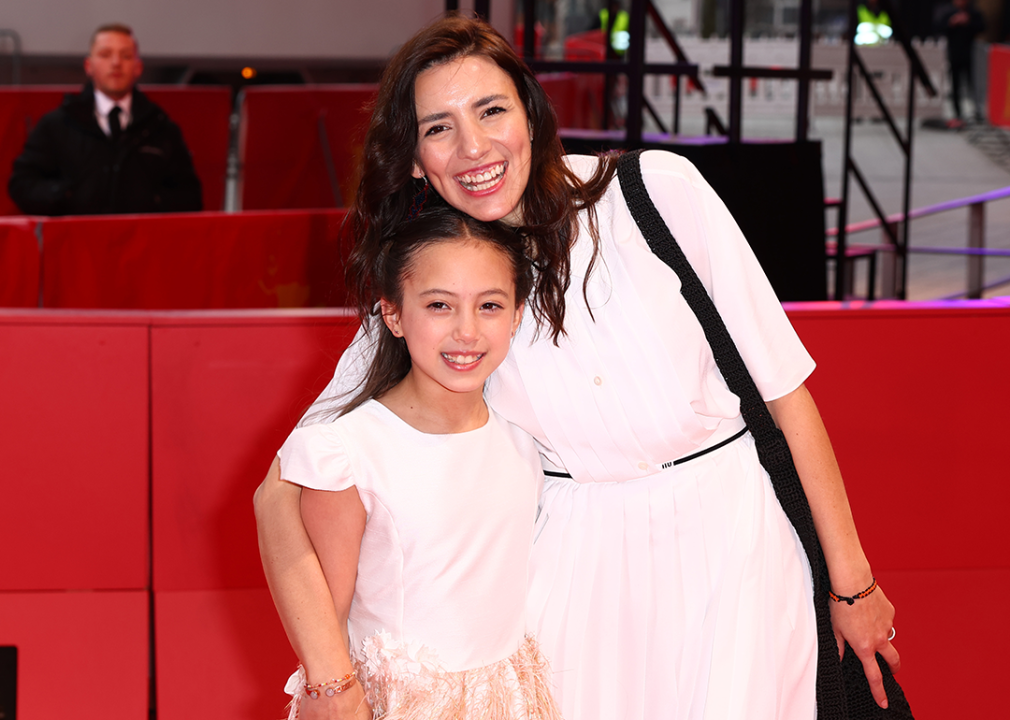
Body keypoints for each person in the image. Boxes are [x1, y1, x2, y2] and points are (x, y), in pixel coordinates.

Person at [254, 14, 900, 720]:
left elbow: (786, 396)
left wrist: (854, 586)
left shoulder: (656, 192)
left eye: (491, 110)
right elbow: (280, 494)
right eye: (437, 127)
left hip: (735, 549)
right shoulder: (434, 291)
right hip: (571, 573)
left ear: (530, 115)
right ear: (413, 159)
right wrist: (329, 679)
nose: (474, 147)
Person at [268, 204, 561, 720]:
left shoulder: (525, 443)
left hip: (510, 701)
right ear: (394, 314)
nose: (467, 332)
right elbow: (326, 618)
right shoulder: (347, 452)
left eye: (490, 306)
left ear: (518, 314)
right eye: (439, 306)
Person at [7, 23, 202, 215]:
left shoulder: (162, 129)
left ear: (138, 67)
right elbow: (22, 184)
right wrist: (67, 195)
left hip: (141, 244)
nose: (116, 63)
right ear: (88, 66)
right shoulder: (56, 125)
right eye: (105, 54)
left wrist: (148, 201)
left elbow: (190, 196)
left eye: (126, 56)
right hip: (74, 244)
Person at [935, 0, 987, 126]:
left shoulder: (973, 13)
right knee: (955, 85)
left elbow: (983, 26)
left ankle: (977, 112)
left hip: (971, 55)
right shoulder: (947, 12)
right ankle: (958, 114)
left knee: (973, 84)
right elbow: (938, 27)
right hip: (954, 55)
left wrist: (968, 22)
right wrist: (952, 22)